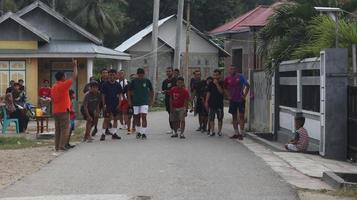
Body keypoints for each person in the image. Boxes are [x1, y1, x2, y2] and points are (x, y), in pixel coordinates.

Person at [51, 59, 77, 151]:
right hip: (63, 111)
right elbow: (74, 77)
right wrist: (75, 66)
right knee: (65, 129)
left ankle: (57, 147)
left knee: (57, 130)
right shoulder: (63, 85)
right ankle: (62, 146)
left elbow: (53, 99)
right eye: (65, 75)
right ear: (62, 77)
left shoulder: (53, 87)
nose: (66, 77)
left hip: (55, 110)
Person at [224, 66, 250, 140]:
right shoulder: (227, 78)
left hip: (240, 100)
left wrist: (244, 96)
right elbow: (224, 87)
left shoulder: (240, 76)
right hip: (232, 100)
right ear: (228, 70)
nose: (232, 70)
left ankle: (242, 133)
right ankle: (236, 133)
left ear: (236, 70)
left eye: (233, 69)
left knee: (241, 116)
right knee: (234, 117)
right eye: (231, 69)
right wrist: (228, 96)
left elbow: (248, 85)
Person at [128, 68, 154, 140]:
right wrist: (129, 101)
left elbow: (152, 91)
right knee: (136, 117)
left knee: (144, 116)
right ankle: (138, 132)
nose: (140, 76)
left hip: (144, 102)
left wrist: (151, 100)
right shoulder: (134, 81)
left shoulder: (147, 81)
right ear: (137, 74)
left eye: (141, 74)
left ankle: (143, 133)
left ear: (143, 74)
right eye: (139, 74)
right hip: (136, 102)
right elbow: (129, 91)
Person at [100, 69, 122, 141]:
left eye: (113, 75)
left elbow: (120, 95)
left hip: (116, 105)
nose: (112, 76)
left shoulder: (118, 85)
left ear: (115, 75)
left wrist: (119, 104)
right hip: (108, 104)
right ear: (108, 76)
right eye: (110, 75)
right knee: (106, 119)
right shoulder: (104, 85)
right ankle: (103, 134)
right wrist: (104, 105)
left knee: (115, 119)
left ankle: (114, 134)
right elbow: (103, 95)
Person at [205, 70, 224, 137]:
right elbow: (208, 93)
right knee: (211, 118)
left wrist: (217, 84)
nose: (215, 76)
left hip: (219, 104)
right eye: (214, 75)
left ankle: (219, 131)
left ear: (219, 75)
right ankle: (212, 131)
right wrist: (206, 101)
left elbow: (221, 92)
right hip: (211, 103)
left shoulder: (222, 83)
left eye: (216, 75)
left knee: (220, 118)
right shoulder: (210, 83)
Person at [162, 67, 176, 134]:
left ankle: (177, 128)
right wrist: (165, 92)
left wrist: (169, 91)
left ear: (172, 72)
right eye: (167, 71)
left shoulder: (175, 80)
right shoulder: (165, 81)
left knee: (175, 114)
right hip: (168, 100)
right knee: (170, 114)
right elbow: (163, 90)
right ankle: (172, 128)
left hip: (175, 100)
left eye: (169, 71)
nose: (168, 73)